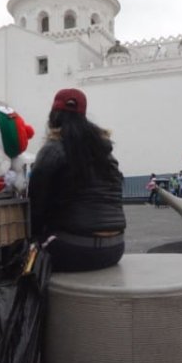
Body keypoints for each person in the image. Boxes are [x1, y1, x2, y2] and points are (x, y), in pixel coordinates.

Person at [28, 88, 126, 273]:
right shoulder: (105, 152)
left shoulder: (54, 148)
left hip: (74, 250)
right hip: (115, 247)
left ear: (53, 115)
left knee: (23, 255)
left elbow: (36, 203)